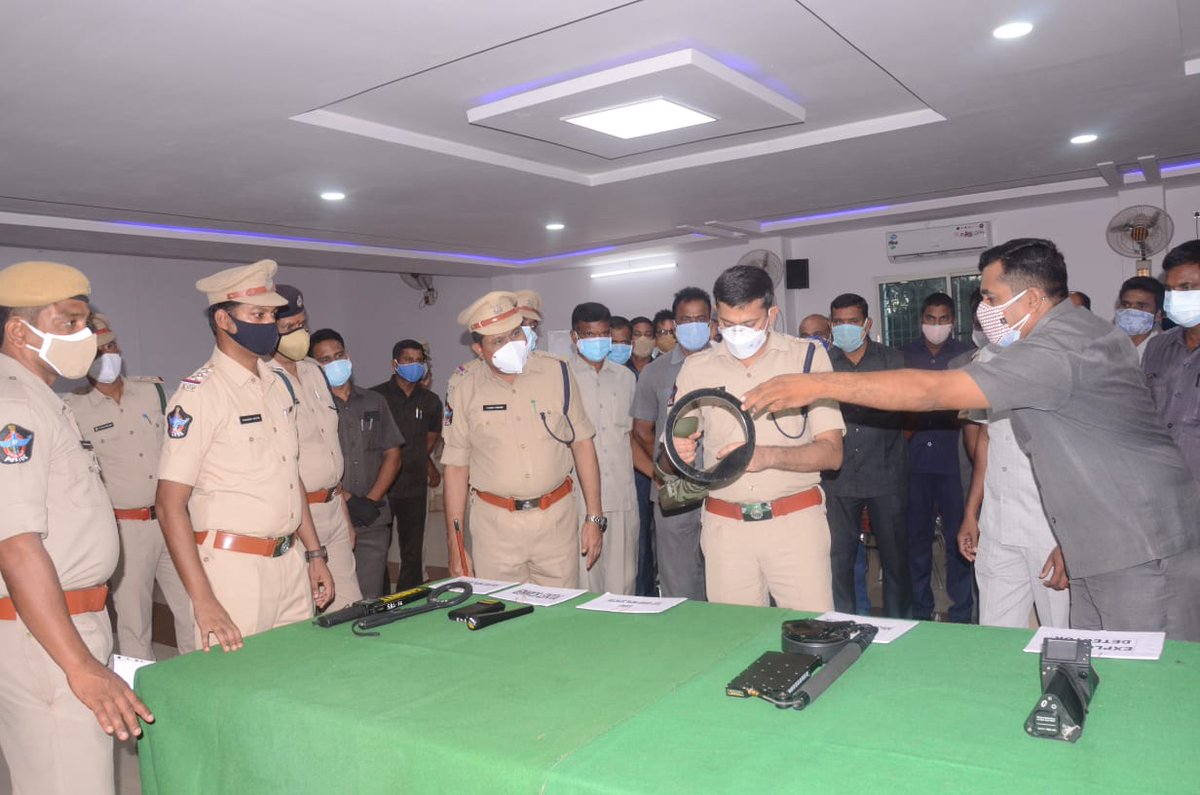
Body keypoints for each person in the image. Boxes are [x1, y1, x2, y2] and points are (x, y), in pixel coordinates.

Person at [742, 238, 1200, 640]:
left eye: (991, 296)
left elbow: (934, 390)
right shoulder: (1059, 340)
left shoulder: (1063, 347)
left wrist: (817, 385)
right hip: (1102, 538)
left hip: (1141, 546)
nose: (983, 308)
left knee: (1146, 679)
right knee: (1096, 668)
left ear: (1032, 298)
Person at [0, 261, 153, 795]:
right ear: (19, 331)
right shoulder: (15, 406)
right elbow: (16, 548)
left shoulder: (43, 399)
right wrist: (80, 666)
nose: (84, 337)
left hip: (69, 617)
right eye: (67, 323)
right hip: (46, 630)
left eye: (85, 323)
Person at [156, 260, 334, 654]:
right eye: (257, 315)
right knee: (234, 689)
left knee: (295, 674)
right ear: (225, 320)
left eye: (272, 314)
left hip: (289, 561)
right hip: (233, 569)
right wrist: (202, 598)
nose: (269, 324)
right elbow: (170, 506)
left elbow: (290, 477)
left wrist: (315, 554)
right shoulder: (199, 396)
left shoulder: (276, 384)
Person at [671, 265, 844, 610]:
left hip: (794, 524)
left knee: (809, 635)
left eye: (748, 324)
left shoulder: (807, 358)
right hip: (725, 529)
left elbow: (831, 454)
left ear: (771, 314)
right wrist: (680, 445)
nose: (736, 333)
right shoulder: (696, 368)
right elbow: (680, 432)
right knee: (733, 640)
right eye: (726, 324)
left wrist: (767, 456)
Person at [441, 291, 604, 586]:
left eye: (515, 333)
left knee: (560, 618)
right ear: (478, 349)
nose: (512, 345)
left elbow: (583, 444)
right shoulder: (463, 388)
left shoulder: (557, 372)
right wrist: (455, 543)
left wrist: (594, 518)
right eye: (498, 341)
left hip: (555, 520)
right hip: (495, 528)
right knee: (502, 619)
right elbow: (455, 466)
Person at [64, 313, 195, 659]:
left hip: (172, 519)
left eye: (112, 346)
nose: (108, 356)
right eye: (98, 352)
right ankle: (141, 694)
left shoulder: (153, 391)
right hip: (125, 529)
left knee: (193, 606)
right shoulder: (73, 409)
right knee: (134, 621)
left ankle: (200, 682)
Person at [957, 345, 1071, 629]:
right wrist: (971, 513)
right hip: (997, 520)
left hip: (1049, 526)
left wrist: (1072, 539)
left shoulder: (1063, 356)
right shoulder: (986, 358)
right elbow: (986, 438)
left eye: (995, 300)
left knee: (1061, 632)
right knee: (996, 632)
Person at [272, 285, 361, 610]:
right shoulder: (263, 380)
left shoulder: (314, 372)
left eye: (302, 325)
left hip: (334, 507)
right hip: (297, 516)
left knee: (349, 605)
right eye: (288, 329)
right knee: (307, 610)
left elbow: (329, 450)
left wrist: (345, 515)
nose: (299, 333)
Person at [823, 294, 910, 618]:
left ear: (867, 324)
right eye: (839, 322)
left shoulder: (891, 360)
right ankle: (843, 624)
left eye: (853, 321)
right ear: (831, 325)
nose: (846, 328)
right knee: (838, 559)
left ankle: (900, 625)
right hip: (839, 479)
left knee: (895, 560)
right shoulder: (824, 365)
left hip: (886, 476)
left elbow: (905, 410)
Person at [631, 287, 715, 601]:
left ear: (711, 323)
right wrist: (667, 467)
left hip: (722, 486)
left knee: (724, 575)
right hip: (674, 490)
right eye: (685, 319)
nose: (693, 325)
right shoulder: (655, 372)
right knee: (677, 578)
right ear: (675, 324)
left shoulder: (729, 363)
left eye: (700, 319)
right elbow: (641, 431)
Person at [310, 329, 403, 600]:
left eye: (339, 355)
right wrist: (348, 499)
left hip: (371, 517)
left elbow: (393, 454)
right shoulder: (312, 407)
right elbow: (311, 464)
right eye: (326, 360)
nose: (335, 362)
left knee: (368, 596)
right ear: (315, 367)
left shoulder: (375, 401)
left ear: (348, 356)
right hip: (330, 516)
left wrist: (370, 501)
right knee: (331, 598)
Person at [902, 292, 974, 622]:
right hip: (914, 465)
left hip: (954, 463)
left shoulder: (966, 356)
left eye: (943, 319)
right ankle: (921, 609)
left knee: (960, 540)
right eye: (931, 318)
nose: (937, 325)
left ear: (953, 322)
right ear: (921, 321)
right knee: (917, 540)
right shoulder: (904, 357)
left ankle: (961, 612)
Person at [569, 302, 638, 593]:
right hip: (577, 501)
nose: (597, 341)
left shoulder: (626, 378)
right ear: (575, 337)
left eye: (602, 334)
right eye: (589, 334)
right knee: (584, 583)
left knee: (623, 583)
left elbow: (631, 438)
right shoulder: (561, 376)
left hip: (621, 496)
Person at [372, 339, 443, 591]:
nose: (414, 365)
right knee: (378, 548)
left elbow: (430, 438)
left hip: (413, 486)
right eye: (408, 360)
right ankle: (378, 599)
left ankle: (407, 599)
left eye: (418, 360)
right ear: (395, 364)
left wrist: (424, 464)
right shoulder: (375, 397)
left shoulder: (431, 401)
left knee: (412, 551)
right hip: (381, 487)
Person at [1144, 240, 1200, 484]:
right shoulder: (1158, 347)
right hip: (1162, 485)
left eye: (1186, 288)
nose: (1176, 297)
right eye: (1171, 289)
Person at [1115, 275, 1165, 363]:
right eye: (1126, 305)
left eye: (1141, 306)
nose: (1131, 311)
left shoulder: (1164, 352)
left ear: (1158, 315)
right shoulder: (1105, 349)